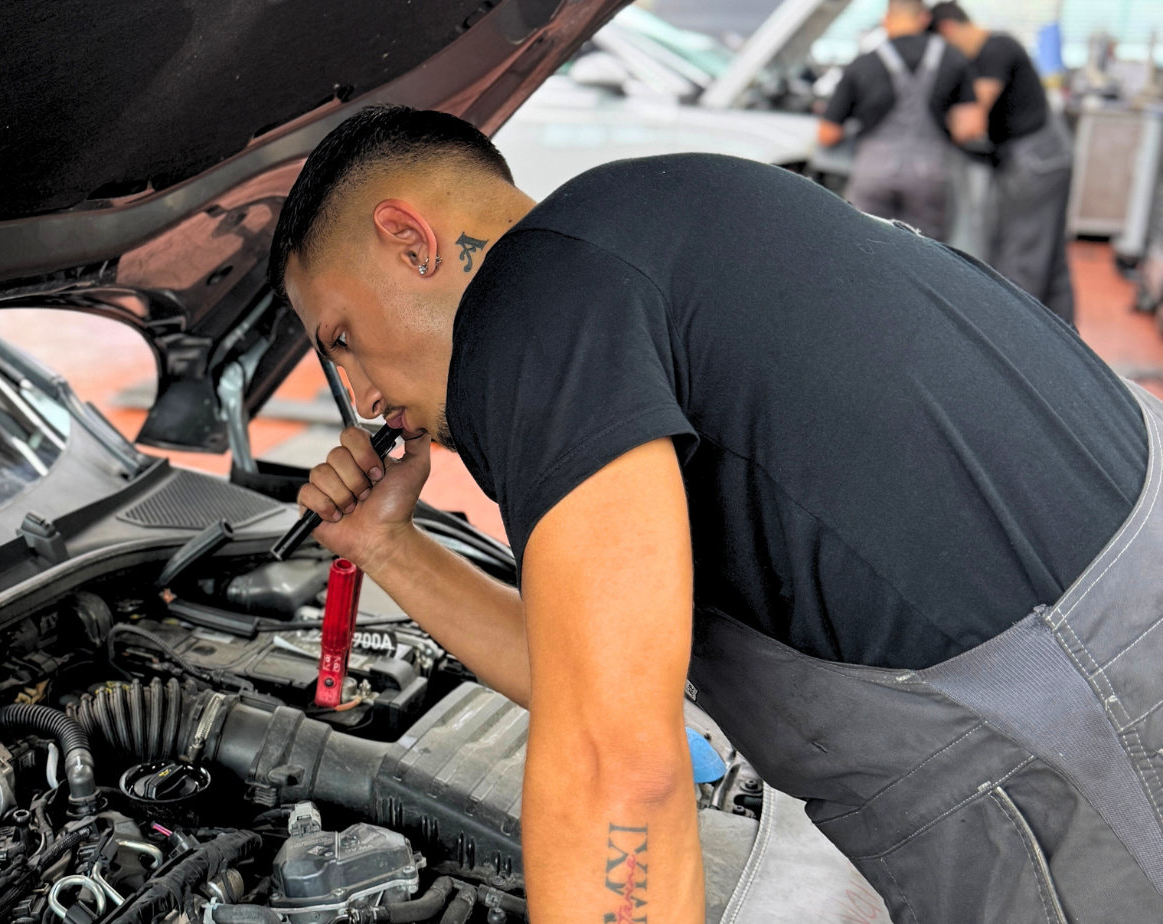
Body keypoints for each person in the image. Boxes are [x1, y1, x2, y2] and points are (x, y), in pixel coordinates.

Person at [269, 104, 1163, 923]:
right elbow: (597, 675)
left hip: (1079, 753)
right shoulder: (655, 220)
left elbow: (615, 766)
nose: (361, 395)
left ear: (408, 239)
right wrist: (385, 544)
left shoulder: (529, 306)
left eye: (341, 338)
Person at [933, 1, 1076, 326]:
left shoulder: (994, 49)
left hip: (1036, 160)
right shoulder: (990, 52)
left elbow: (969, 125)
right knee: (1049, 257)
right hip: (1045, 156)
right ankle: (1062, 341)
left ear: (948, 30)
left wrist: (938, 116)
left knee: (1020, 253)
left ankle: (1015, 340)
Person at [817, 0, 980, 242]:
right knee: (927, 253)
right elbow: (972, 127)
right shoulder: (953, 59)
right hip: (930, 174)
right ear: (924, 19)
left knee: (866, 245)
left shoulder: (863, 63)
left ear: (886, 20)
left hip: (873, 173)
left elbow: (827, 134)